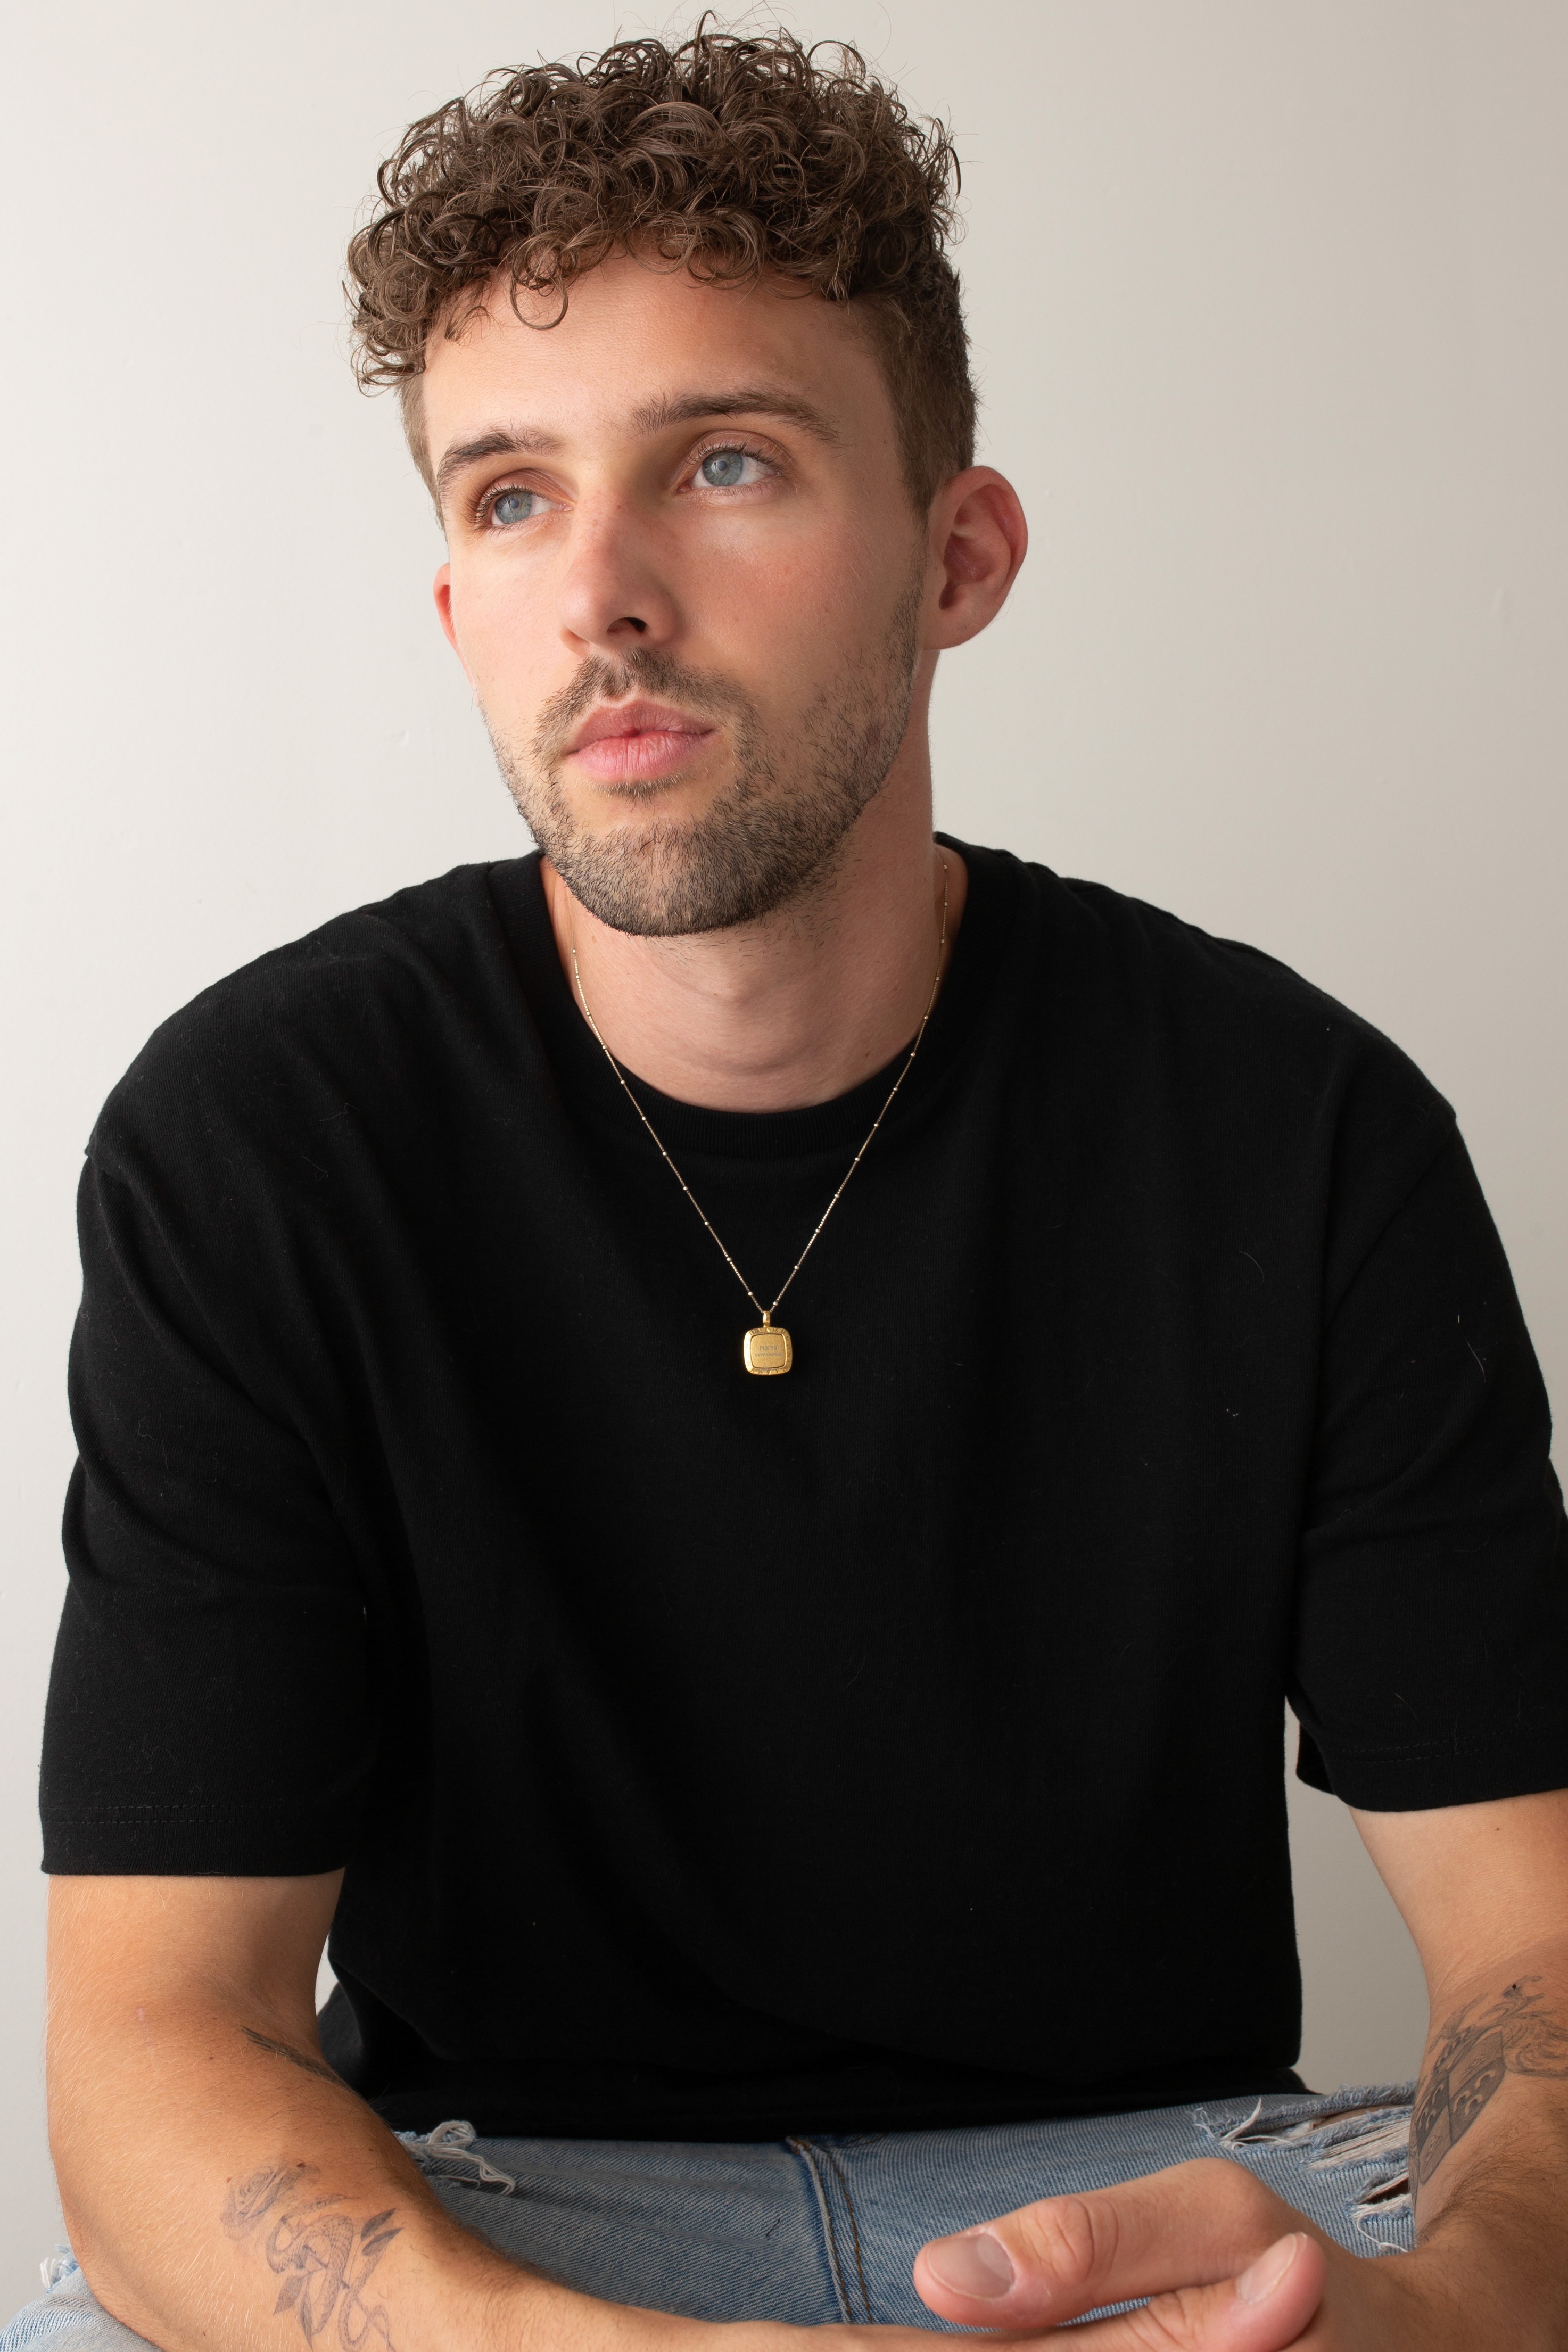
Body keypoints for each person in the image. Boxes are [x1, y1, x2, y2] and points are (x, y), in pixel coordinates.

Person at [8, 27, 1567, 2352]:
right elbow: (156, 2038)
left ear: (958, 555)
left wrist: (1434, 2321)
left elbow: (1535, 1956)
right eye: (508, 496)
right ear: (452, 605)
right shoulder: (260, 1138)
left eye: (722, 461)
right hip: (499, 2226)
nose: (603, 592)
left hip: (1150, 2203)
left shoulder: (1297, 1127)